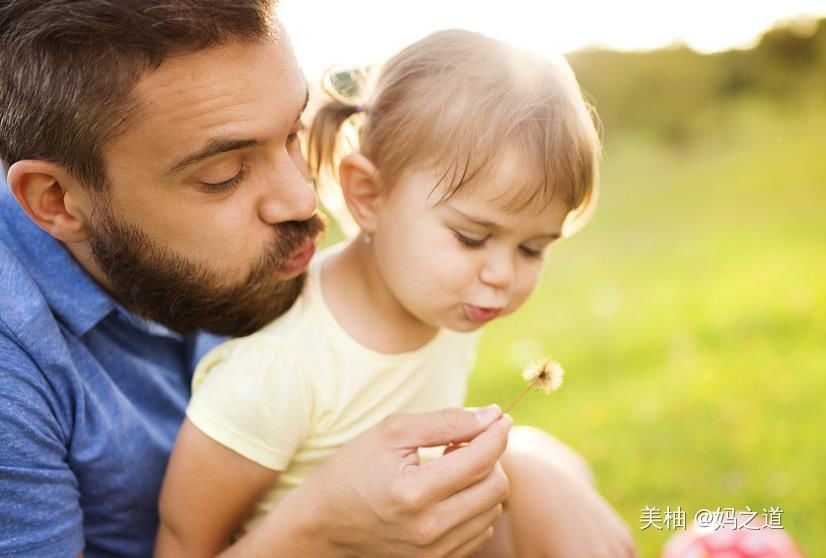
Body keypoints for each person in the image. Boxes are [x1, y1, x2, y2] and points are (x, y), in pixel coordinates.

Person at [0, 2, 632, 557]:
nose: (306, 199)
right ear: (56, 199)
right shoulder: (15, 370)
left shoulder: (395, 285)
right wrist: (317, 535)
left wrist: (531, 464)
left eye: (295, 136)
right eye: (223, 174)